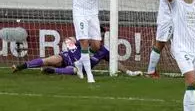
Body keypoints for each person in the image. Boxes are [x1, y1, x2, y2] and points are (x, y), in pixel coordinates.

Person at [29, 0, 136, 83]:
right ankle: (89, 75)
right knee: (84, 41)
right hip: (79, 14)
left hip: (92, 15)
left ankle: (80, 63)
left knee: (96, 45)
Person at [12, 30, 143, 77]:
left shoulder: (104, 51)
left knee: (75, 70)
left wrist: (128, 72)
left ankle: (51, 71)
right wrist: (74, 54)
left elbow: (115, 63)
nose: (98, 39)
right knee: (52, 59)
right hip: (65, 58)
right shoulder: (83, 41)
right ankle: (21, 67)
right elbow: (68, 40)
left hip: (77, 69)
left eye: (100, 37)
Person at [146, 0, 187, 78]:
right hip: (166, 20)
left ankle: (187, 68)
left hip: (172, 19)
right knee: (160, 45)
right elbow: (171, 1)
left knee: (179, 44)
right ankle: (150, 71)